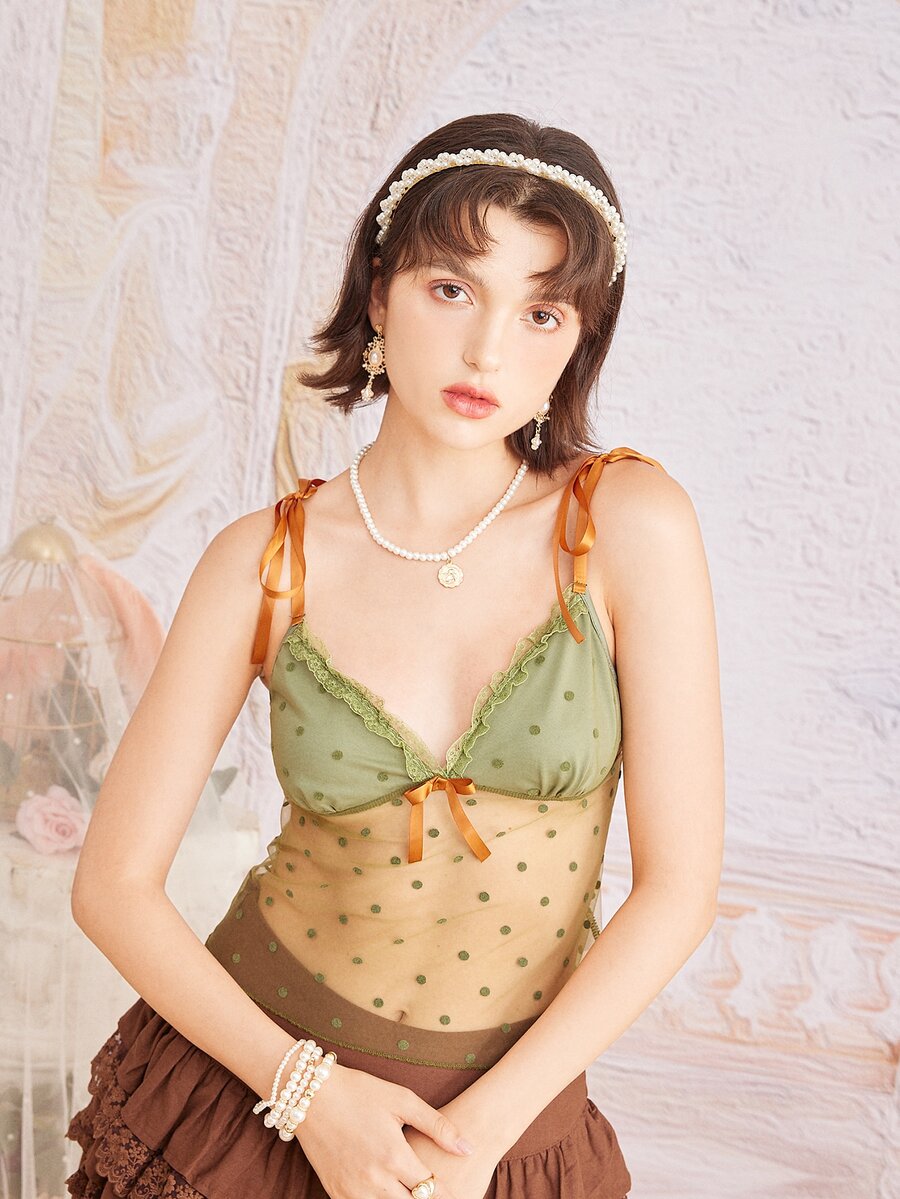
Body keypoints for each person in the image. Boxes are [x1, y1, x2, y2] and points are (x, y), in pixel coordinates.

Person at [65, 111, 725, 1199]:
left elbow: (679, 888)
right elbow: (112, 886)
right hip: (243, 1103)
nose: (487, 351)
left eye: (541, 311)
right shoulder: (263, 562)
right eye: (451, 288)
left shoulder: (625, 526)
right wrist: (309, 1095)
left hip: (505, 1136)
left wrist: (476, 1141)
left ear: (579, 337)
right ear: (379, 294)